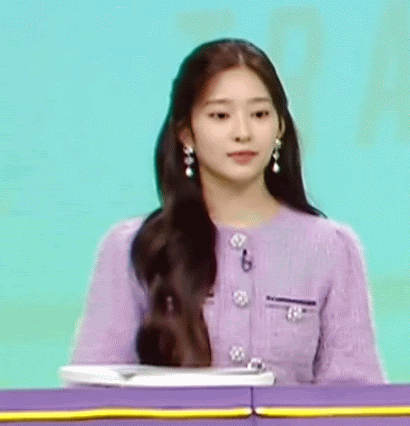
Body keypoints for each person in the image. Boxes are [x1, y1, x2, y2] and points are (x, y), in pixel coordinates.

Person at [65, 38, 388, 386]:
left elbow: (355, 394)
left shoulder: (332, 248)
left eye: (259, 114)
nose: (243, 133)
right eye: (220, 116)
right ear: (186, 133)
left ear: (280, 127)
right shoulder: (132, 246)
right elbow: (92, 393)